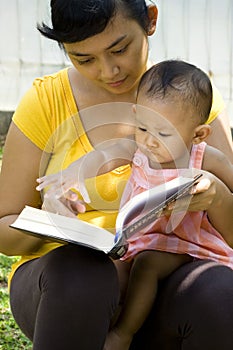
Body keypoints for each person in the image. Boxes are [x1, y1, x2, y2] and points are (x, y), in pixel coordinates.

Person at [0, 1, 232, 349]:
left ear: (150, 20)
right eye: (84, 59)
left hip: (164, 273)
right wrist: (49, 217)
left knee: (217, 289)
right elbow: (4, 230)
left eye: (119, 49)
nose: (109, 71)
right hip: (61, 284)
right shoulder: (46, 102)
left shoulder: (192, 105)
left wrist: (217, 196)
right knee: (86, 275)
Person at [37, 60, 233, 350]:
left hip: (189, 247)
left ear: (198, 134)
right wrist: (67, 177)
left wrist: (213, 190)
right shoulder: (136, 148)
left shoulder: (206, 157)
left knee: (146, 266)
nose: (150, 141)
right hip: (142, 240)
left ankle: (123, 334)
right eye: (143, 127)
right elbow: (102, 156)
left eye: (163, 134)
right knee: (102, 274)